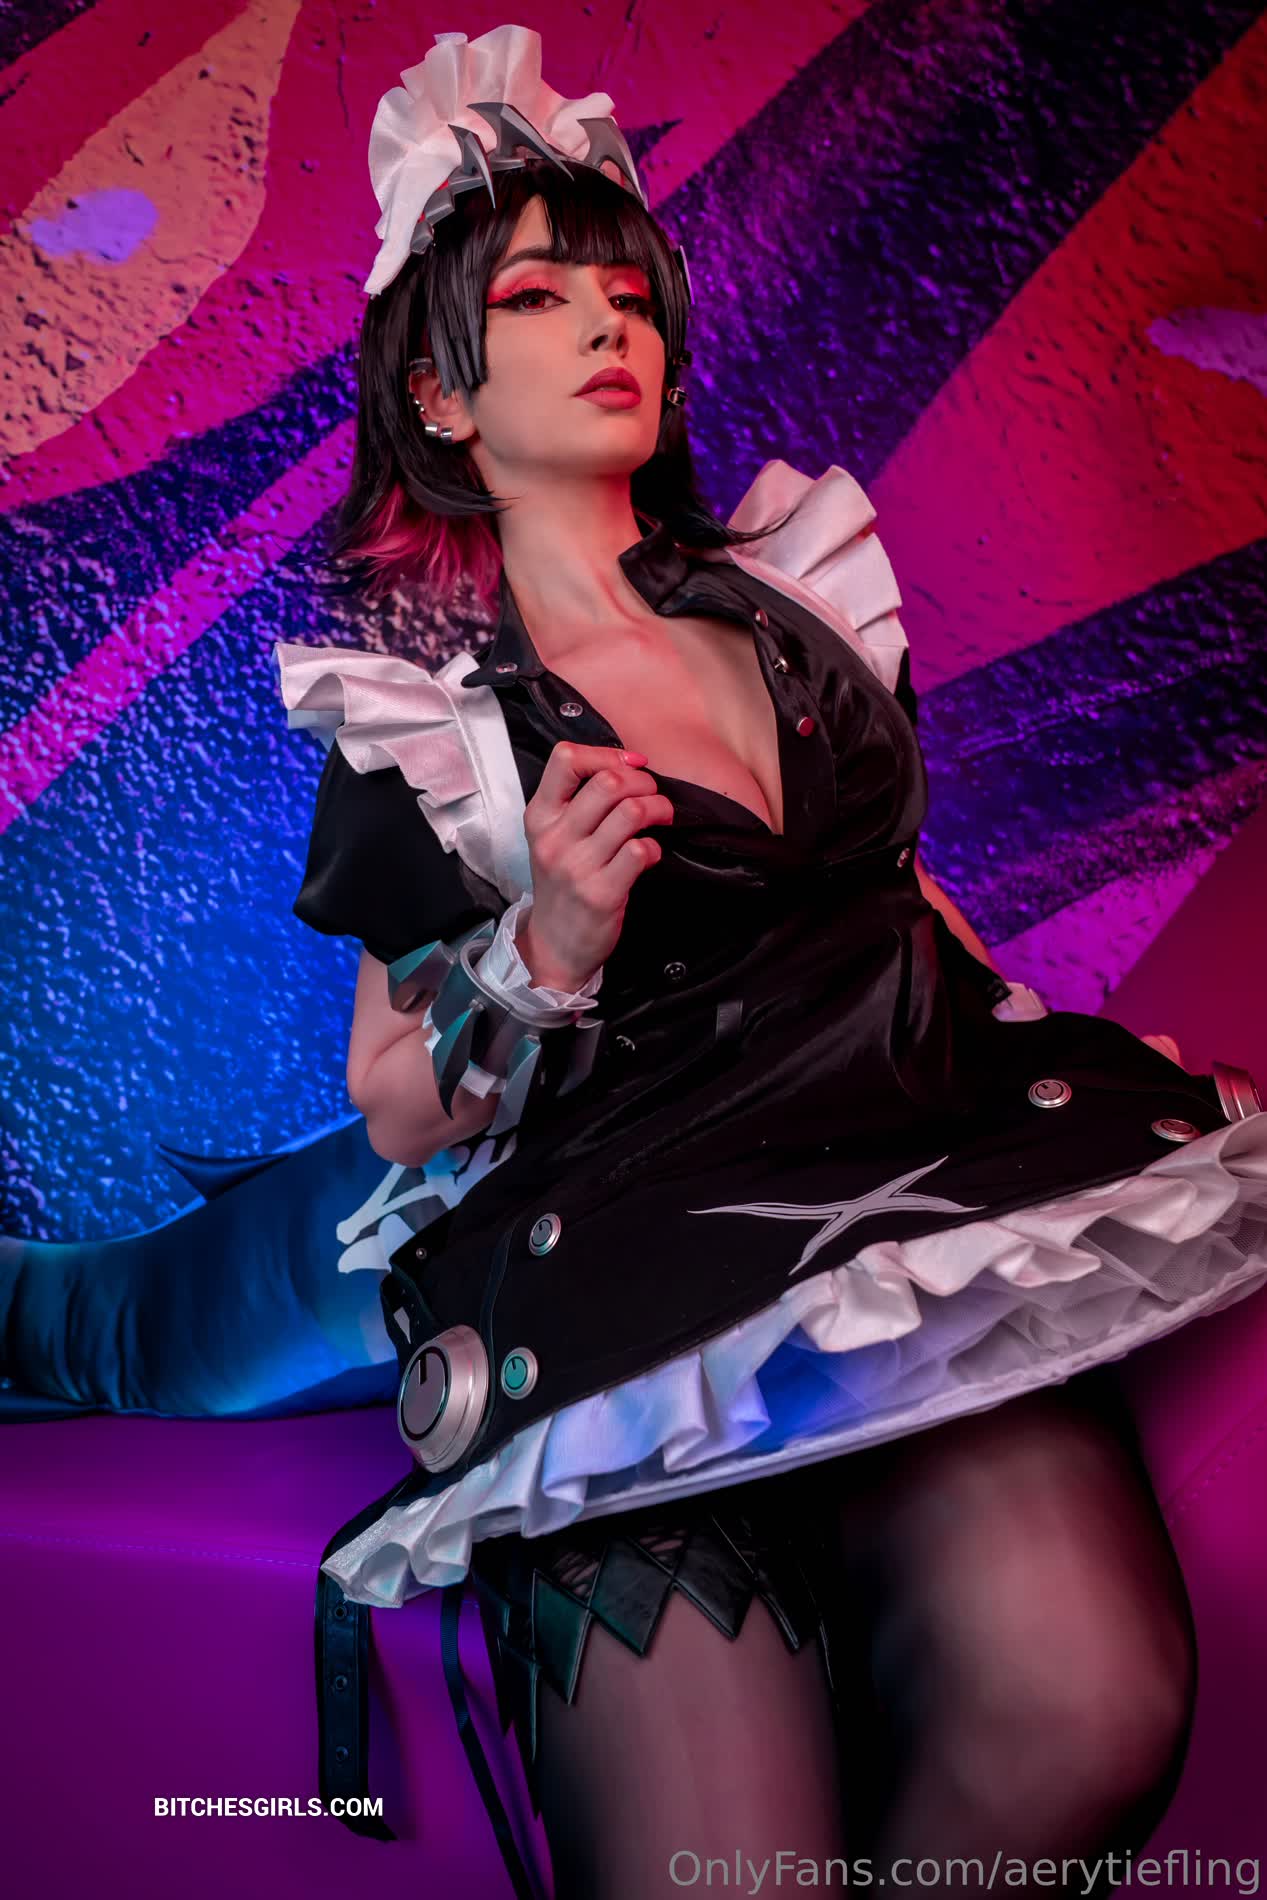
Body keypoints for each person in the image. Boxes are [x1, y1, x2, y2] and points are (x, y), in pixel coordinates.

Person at [274, 26, 1267, 1899]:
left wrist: (1108, 1104)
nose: (608, 323)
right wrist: (543, 945)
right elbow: (393, 1100)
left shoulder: (798, 594)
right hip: (627, 1307)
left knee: (1085, 1706)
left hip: (889, 1241)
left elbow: (912, 918)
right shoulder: (434, 722)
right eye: (540, 297)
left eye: (627, 293)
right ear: (441, 393)